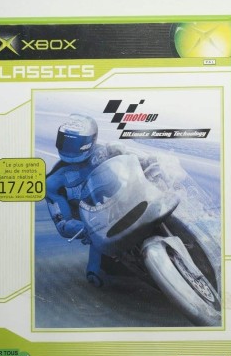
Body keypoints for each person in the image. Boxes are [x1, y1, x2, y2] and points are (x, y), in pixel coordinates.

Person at [45, 114, 168, 287]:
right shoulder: (52, 182)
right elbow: (62, 223)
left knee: (166, 201)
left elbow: (146, 162)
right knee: (97, 277)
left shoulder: (110, 150)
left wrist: (156, 169)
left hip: (131, 200)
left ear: (90, 140)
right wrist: (84, 229)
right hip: (99, 225)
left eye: (74, 142)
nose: (69, 147)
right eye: (65, 141)